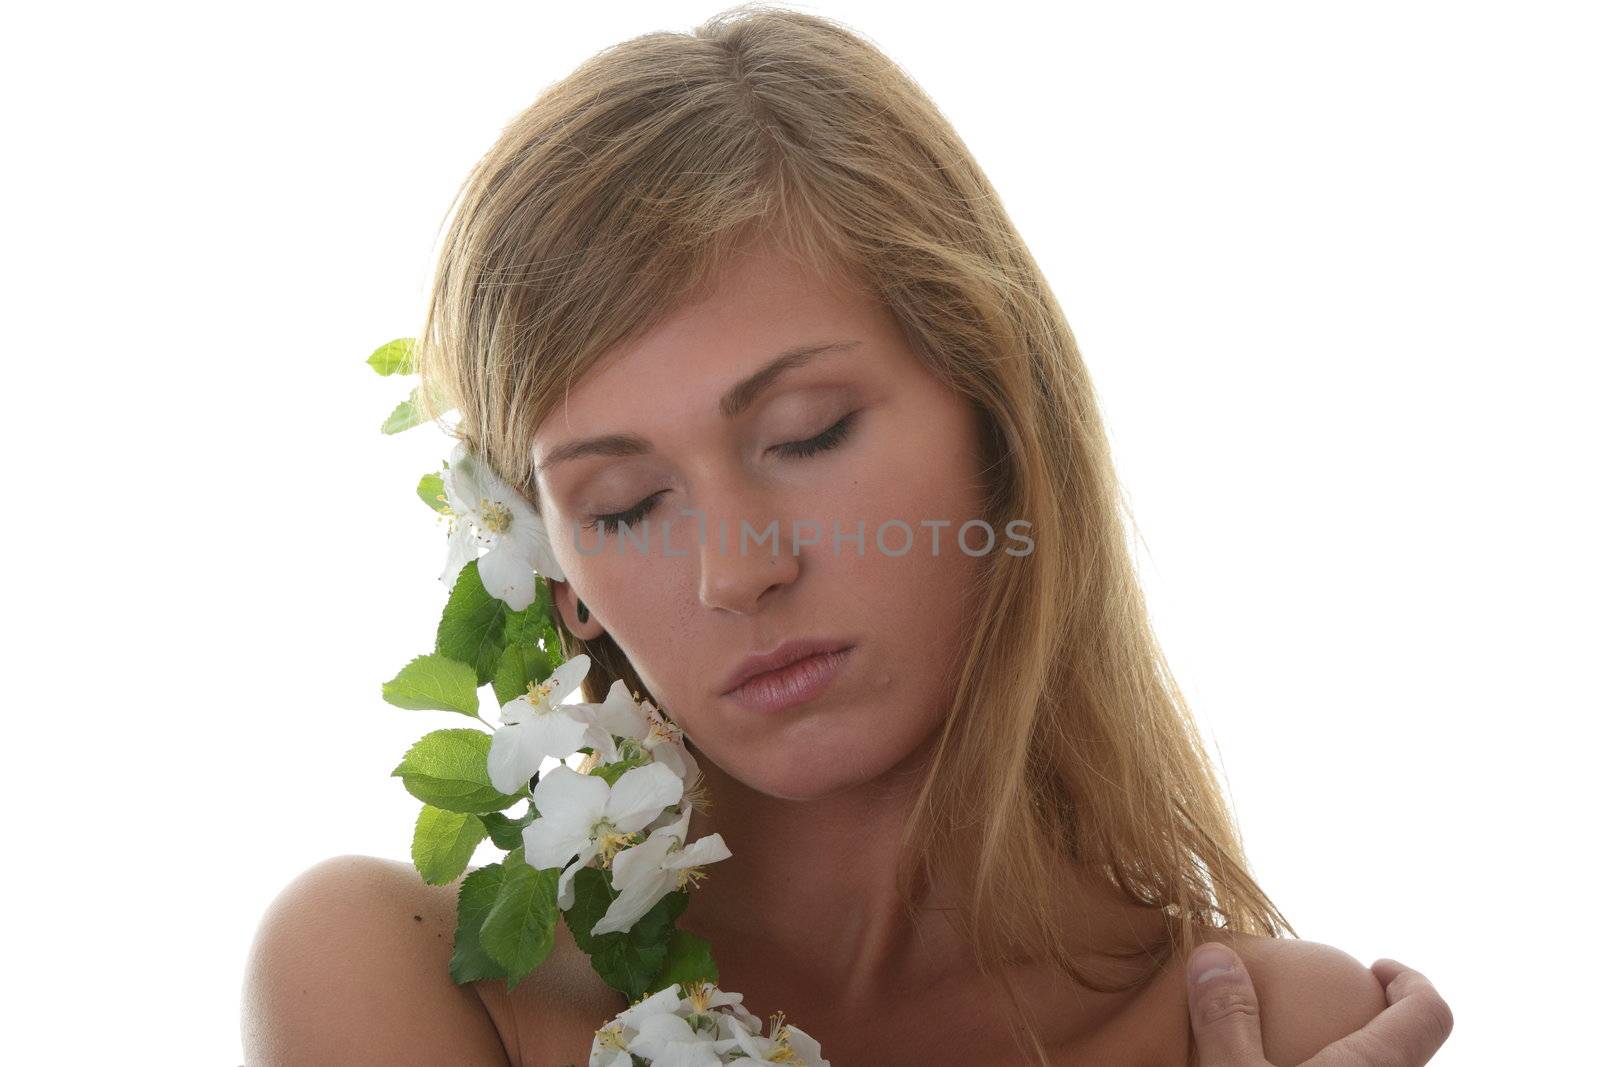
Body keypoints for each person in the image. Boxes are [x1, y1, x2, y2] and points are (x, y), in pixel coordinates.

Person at [241, 6, 1454, 1064]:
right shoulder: (401, 971)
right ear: (565, 576)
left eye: (808, 434)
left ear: (1000, 421)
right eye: (622, 503)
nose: (739, 569)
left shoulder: (1270, 1025)